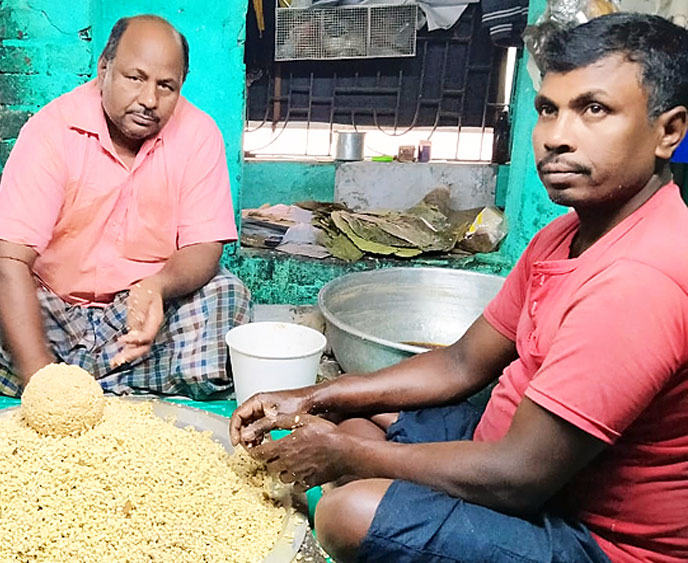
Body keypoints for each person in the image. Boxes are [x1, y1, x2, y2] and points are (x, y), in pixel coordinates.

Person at [230, 13, 688, 563]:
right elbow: (461, 364)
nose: (556, 137)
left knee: (346, 510)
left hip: (589, 534)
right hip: (507, 445)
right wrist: (311, 395)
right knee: (349, 414)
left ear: (669, 132)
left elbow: (521, 477)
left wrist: (348, 458)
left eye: (594, 109)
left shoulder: (640, 281)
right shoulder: (568, 232)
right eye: (548, 109)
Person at [0, 15, 249, 401]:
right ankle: (99, 384)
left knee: (228, 294)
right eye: (135, 78)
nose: (149, 100)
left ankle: (85, 384)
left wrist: (157, 287)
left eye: (166, 86)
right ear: (104, 68)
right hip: (52, 310)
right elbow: (8, 260)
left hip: (139, 316)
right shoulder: (51, 130)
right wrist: (41, 379)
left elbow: (205, 249)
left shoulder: (198, 134)